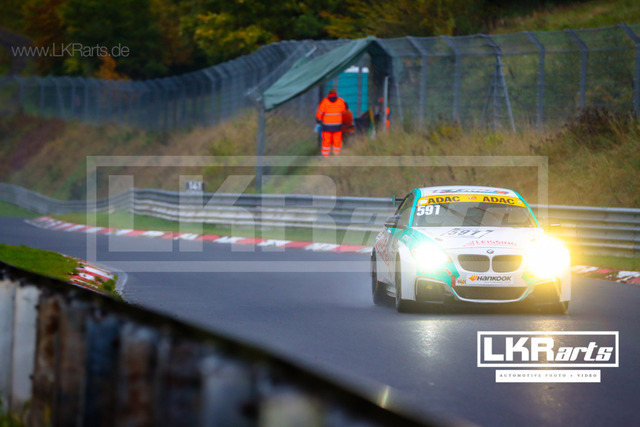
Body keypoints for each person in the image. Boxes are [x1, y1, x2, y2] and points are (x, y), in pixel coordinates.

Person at [315, 88, 347, 157]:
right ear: (336, 94)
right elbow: (344, 111)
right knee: (337, 140)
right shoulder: (340, 101)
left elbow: (319, 112)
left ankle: (325, 155)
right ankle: (336, 155)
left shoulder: (325, 101)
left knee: (326, 140)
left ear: (329, 94)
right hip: (338, 125)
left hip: (327, 125)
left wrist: (318, 119)